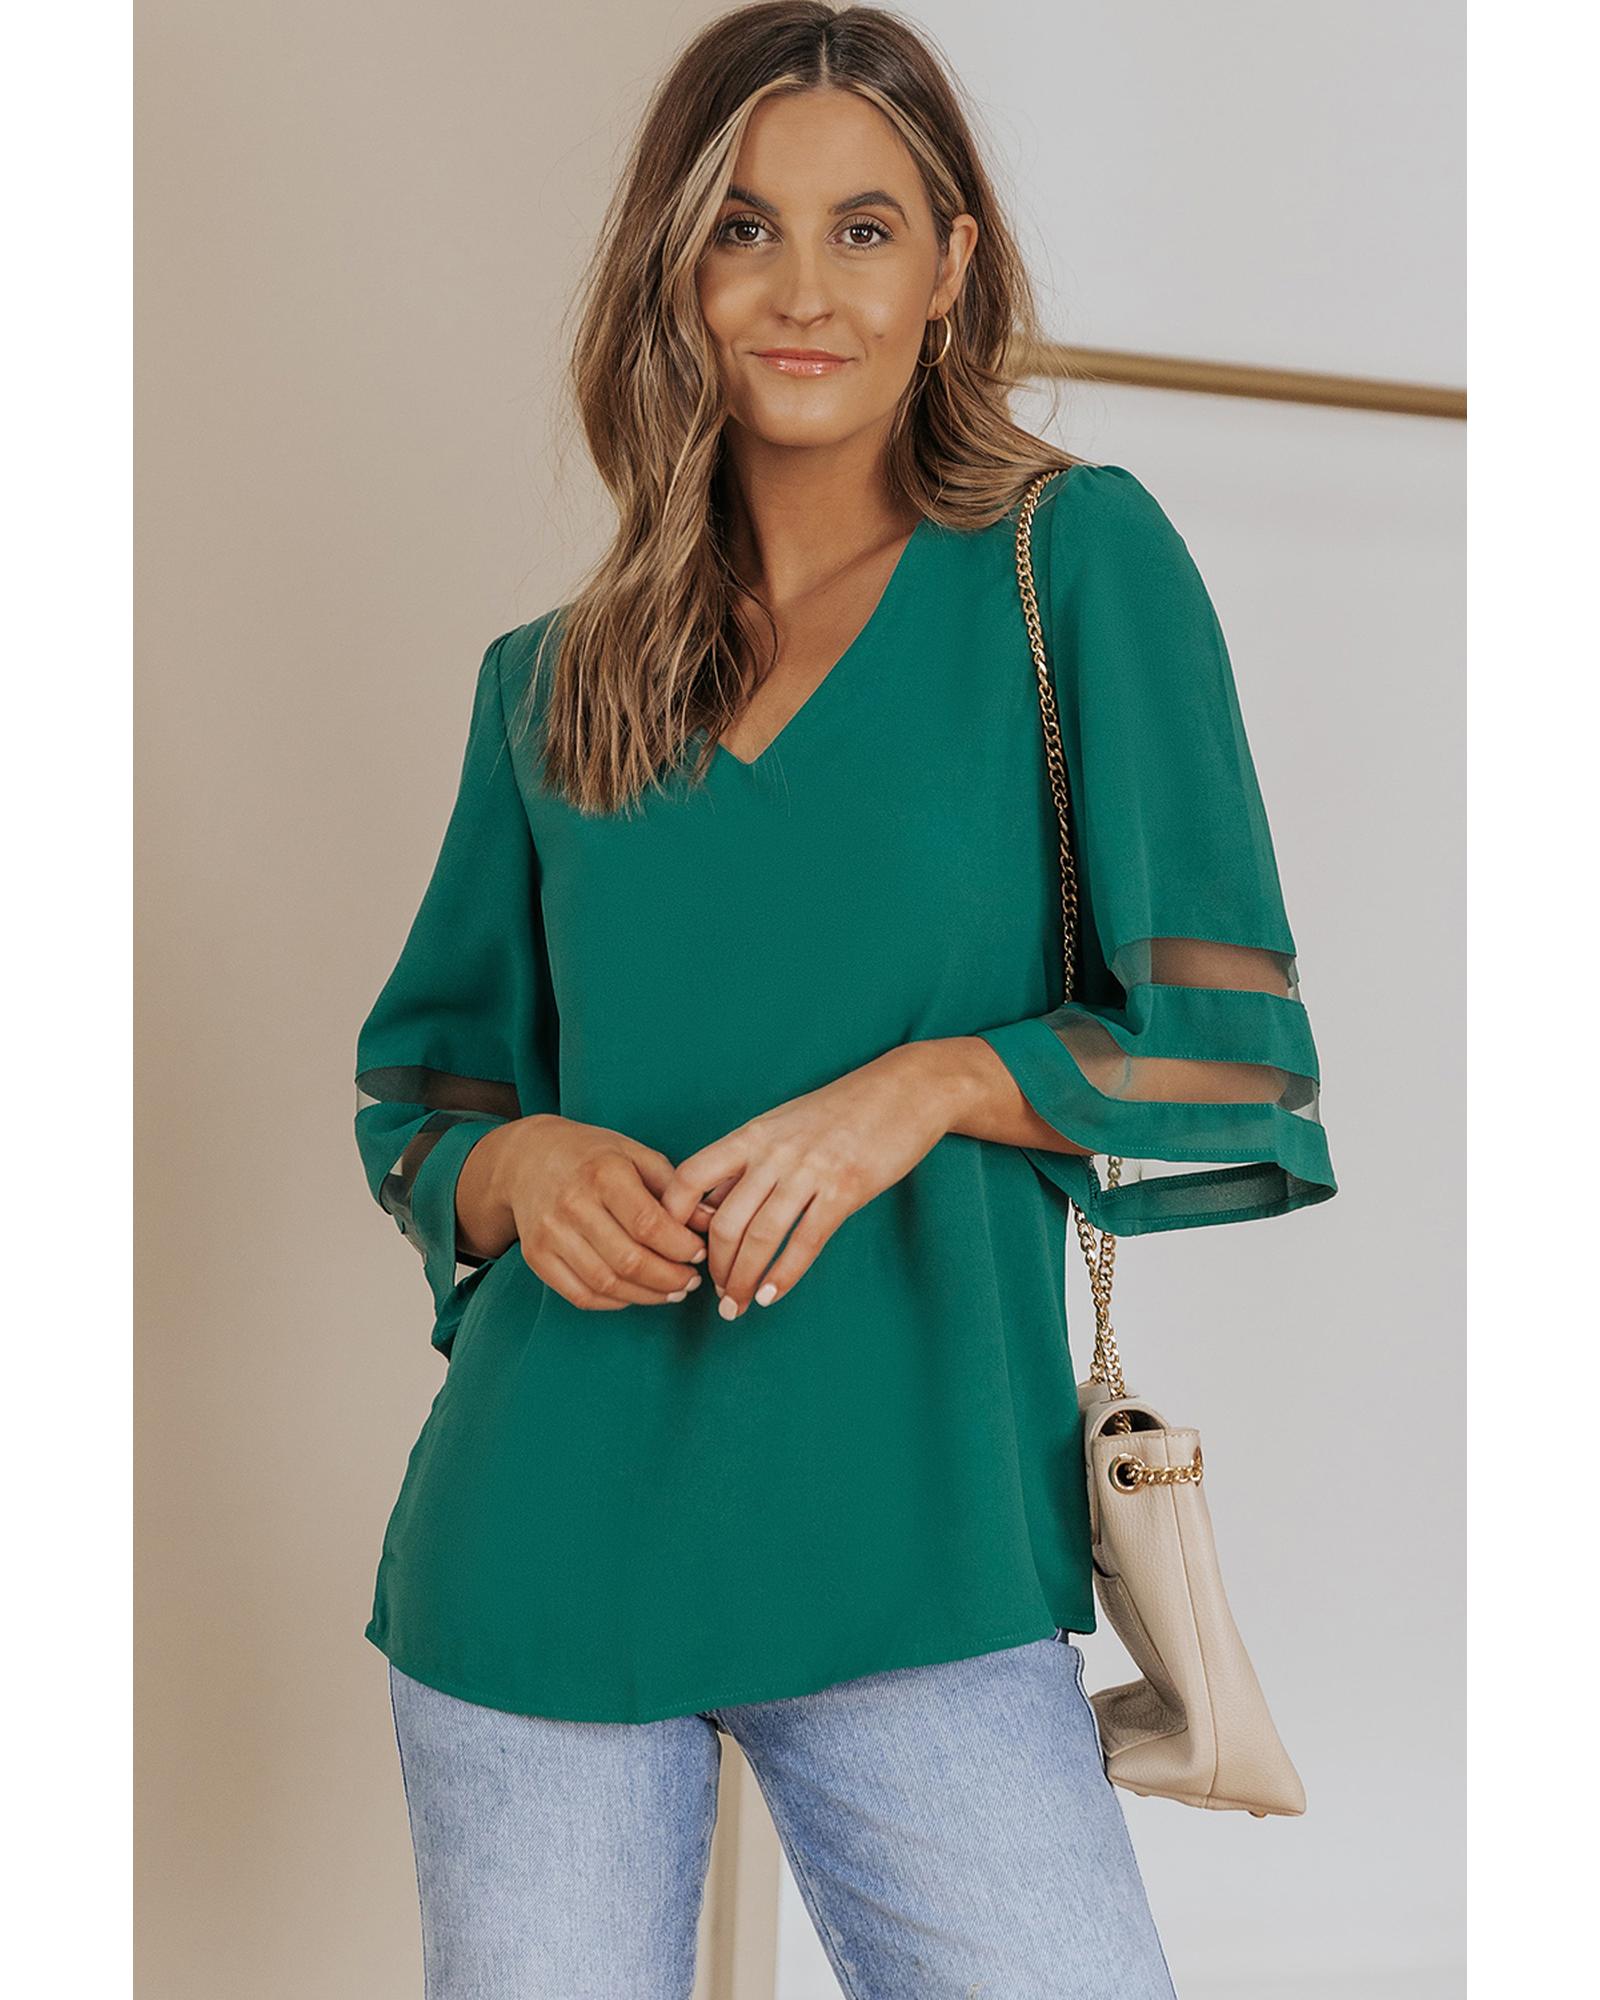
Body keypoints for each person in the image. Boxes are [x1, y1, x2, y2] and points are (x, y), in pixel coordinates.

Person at [352, 5, 1338, 1994]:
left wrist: (932, 1084)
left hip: (912, 1539)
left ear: (950, 264)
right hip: (539, 1547)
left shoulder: (1073, 565)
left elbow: (1231, 1049)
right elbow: (425, 1096)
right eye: (743, 227)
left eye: (863, 228)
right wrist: (521, 1170)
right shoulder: (548, 680)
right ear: (676, 269)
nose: (804, 289)